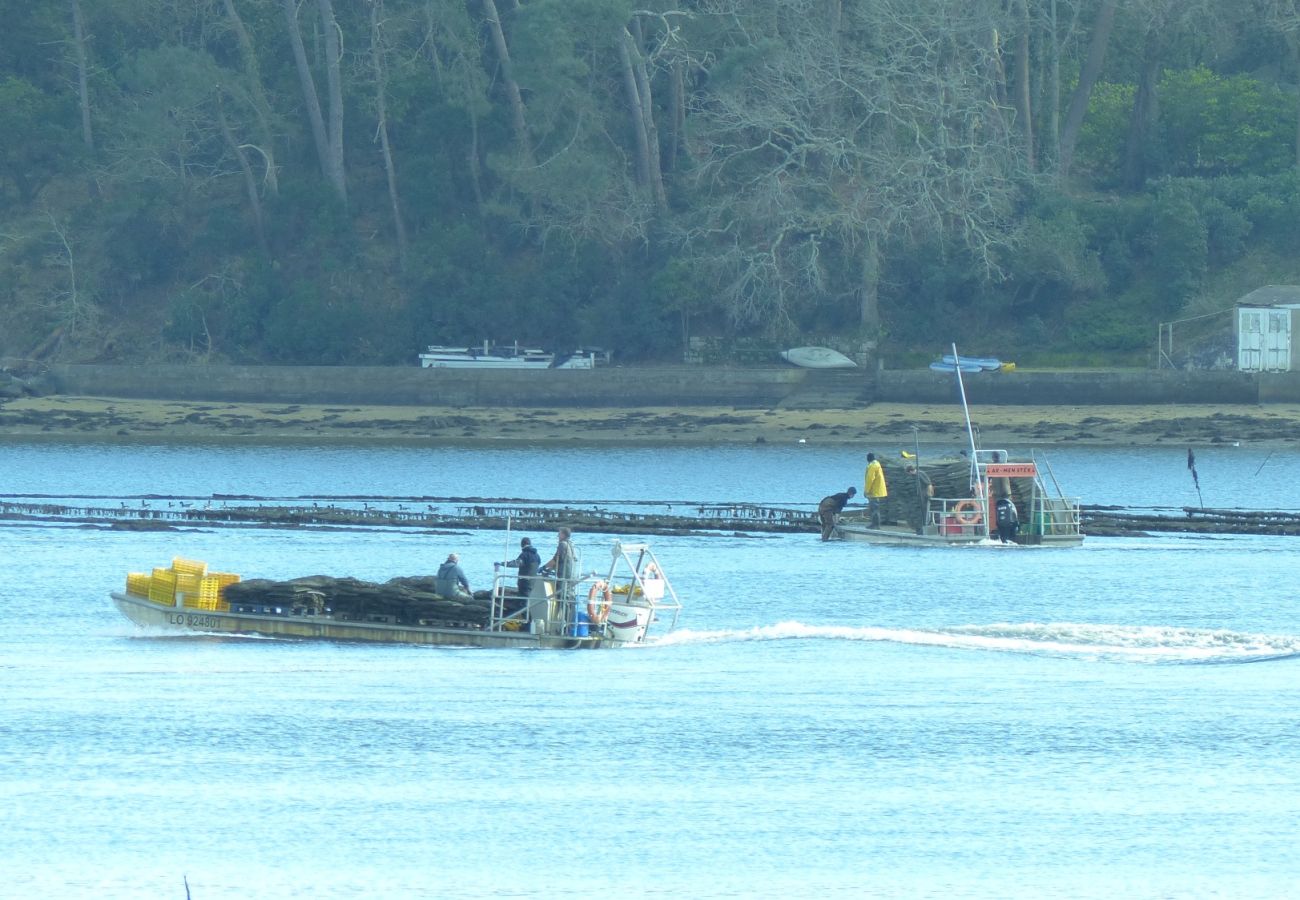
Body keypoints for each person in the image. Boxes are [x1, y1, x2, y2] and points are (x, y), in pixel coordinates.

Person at [543, 526, 577, 601]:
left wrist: (544, 567)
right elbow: (561, 560)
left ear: (563, 535)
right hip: (571, 577)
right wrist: (550, 569)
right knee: (568, 596)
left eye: (559, 534)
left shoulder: (562, 545)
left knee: (562, 596)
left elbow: (555, 559)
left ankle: (562, 610)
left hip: (564, 577)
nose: (558, 536)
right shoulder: (571, 545)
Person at [904, 463, 934, 535]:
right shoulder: (916, 476)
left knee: (924, 513)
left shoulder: (920, 474)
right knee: (920, 514)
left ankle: (924, 529)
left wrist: (929, 495)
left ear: (910, 471)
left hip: (924, 497)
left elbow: (929, 484)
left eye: (909, 473)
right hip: (920, 497)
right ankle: (920, 529)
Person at [864, 452, 888, 528]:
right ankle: (876, 524)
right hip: (879, 490)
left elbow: (870, 479)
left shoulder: (872, 466)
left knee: (874, 508)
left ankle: (875, 525)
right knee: (876, 508)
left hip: (874, 491)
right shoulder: (877, 464)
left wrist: (866, 491)